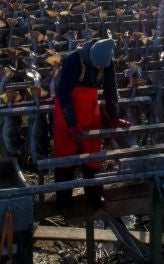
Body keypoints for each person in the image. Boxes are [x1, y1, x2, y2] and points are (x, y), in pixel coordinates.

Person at [53, 38, 130, 209]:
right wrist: (71, 123)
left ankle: (94, 195)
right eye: (97, 67)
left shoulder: (107, 62)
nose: (100, 69)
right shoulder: (73, 60)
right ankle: (63, 199)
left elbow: (111, 90)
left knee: (93, 155)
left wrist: (114, 117)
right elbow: (63, 93)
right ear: (90, 57)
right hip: (67, 110)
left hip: (89, 110)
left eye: (102, 67)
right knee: (65, 157)